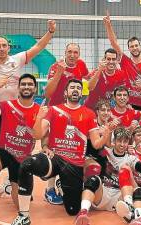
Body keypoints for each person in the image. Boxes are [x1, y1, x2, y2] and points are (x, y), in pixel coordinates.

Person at [11, 79, 111, 225]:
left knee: (72, 210)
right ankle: (23, 215)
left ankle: (61, 183)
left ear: (81, 93)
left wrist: (106, 134)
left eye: (78, 88)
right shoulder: (53, 110)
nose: (75, 90)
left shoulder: (89, 114)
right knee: (27, 164)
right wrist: (39, 116)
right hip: (55, 157)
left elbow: (96, 144)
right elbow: (38, 135)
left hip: (75, 163)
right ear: (66, 93)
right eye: (72, 88)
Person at [0, 19, 56, 208]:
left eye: (4, 45)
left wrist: (50, 32)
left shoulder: (17, 59)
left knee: (19, 149)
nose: (1, 48)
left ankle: (16, 180)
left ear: (8, 47)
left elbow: (38, 47)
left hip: (14, 115)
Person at [0, 73, 40, 225]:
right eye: (23, 84)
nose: (26, 87)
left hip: (23, 158)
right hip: (3, 151)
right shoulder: (7, 105)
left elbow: (41, 136)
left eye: (30, 84)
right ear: (18, 88)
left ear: (35, 89)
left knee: (21, 206)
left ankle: (8, 185)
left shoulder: (40, 110)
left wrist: (45, 148)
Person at [74, 127, 141, 225]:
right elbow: (91, 146)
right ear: (114, 141)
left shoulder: (130, 158)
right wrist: (105, 133)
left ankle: (139, 217)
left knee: (139, 189)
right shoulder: (105, 151)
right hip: (102, 193)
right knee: (93, 179)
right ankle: (83, 212)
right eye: (119, 141)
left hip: (119, 198)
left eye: (125, 142)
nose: (122, 144)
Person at [43, 42, 89, 205]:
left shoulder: (82, 65)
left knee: (70, 146)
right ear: (65, 52)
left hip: (73, 113)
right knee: (53, 148)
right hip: (56, 113)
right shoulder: (56, 66)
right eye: (69, 52)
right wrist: (59, 74)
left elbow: (85, 87)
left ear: (79, 53)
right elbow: (47, 93)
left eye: (75, 52)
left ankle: (64, 179)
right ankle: (49, 190)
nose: (72, 55)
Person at [103, 12, 141, 112]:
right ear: (129, 49)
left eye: (136, 45)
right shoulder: (125, 61)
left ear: (140, 46)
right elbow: (113, 43)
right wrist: (108, 25)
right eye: (132, 46)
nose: (134, 48)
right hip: (128, 104)